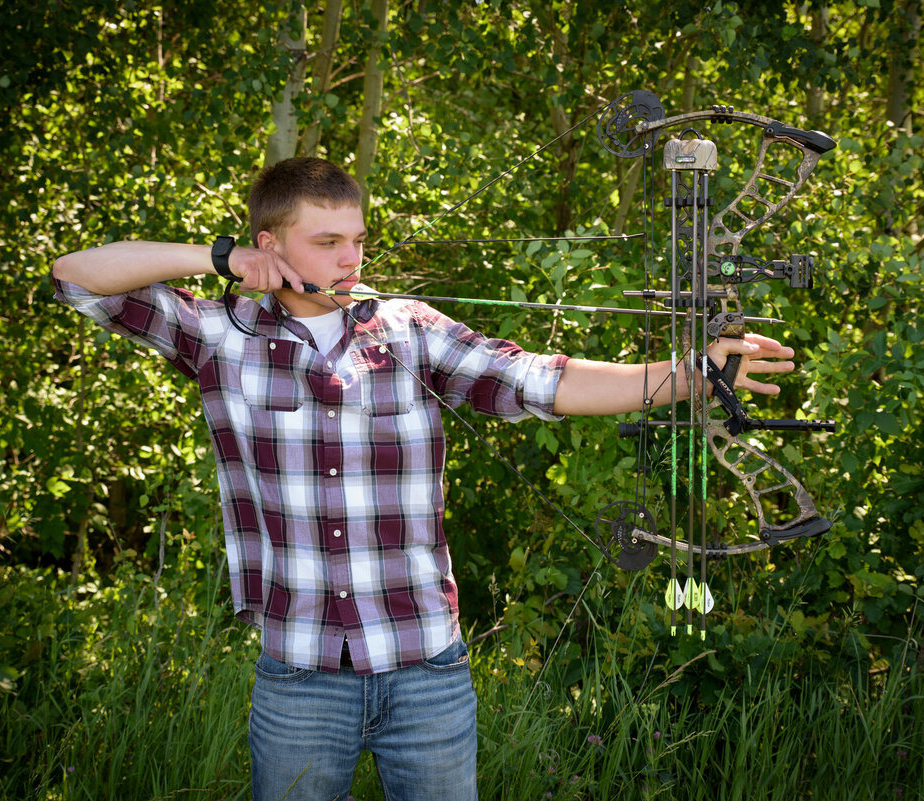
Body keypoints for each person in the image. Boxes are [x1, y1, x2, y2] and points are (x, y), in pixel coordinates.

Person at [51, 157, 795, 800]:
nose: (351, 257)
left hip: (426, 674)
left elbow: (544, 382)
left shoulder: (407, 328)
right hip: (300, 674)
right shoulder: (221, 337)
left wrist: (690, 374)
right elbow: (77, 276)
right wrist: (217, 256)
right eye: (328, 241)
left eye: (359, 238)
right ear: (269, 245)